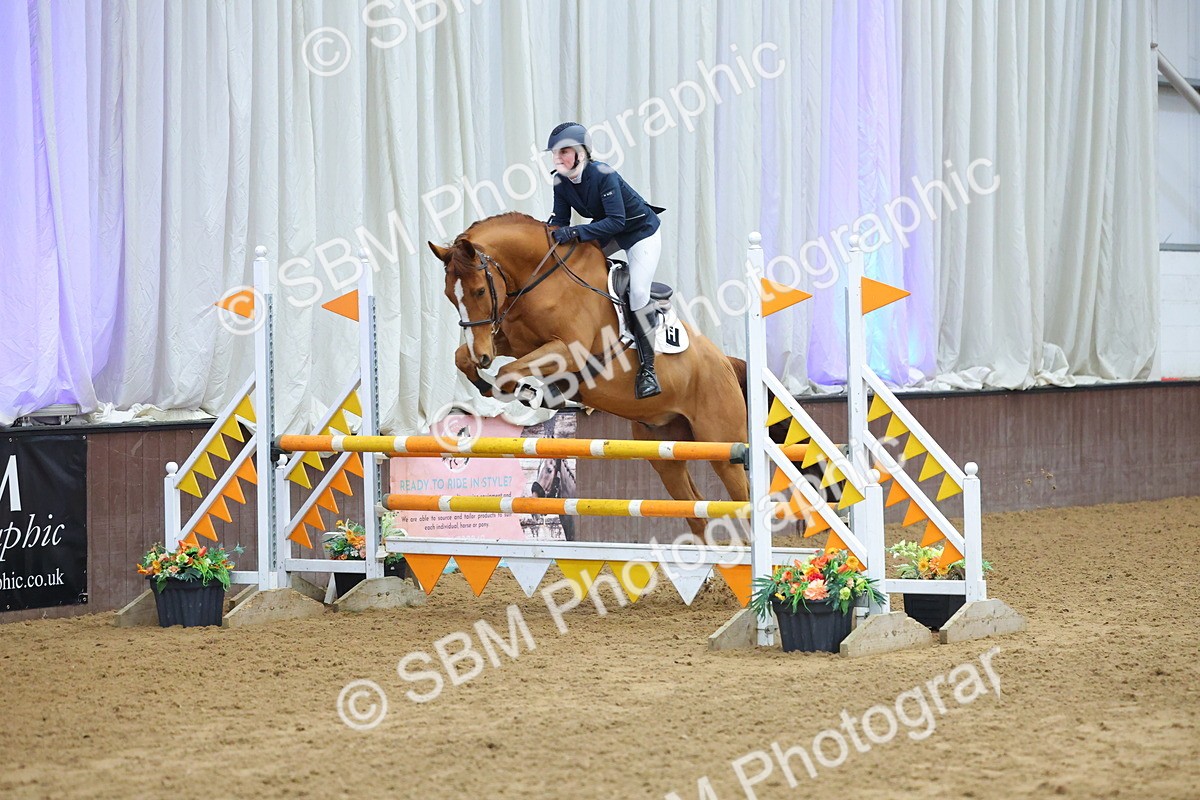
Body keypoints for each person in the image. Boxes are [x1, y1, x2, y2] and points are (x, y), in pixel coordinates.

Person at [545, 122, 664, 400]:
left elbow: (617, 221)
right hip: (605, 229)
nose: (558, 158)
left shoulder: (603, 174)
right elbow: (560, 221)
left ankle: (648, 370)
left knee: (637, 292)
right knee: (567, 272)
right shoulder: (560, 181)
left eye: (564, 152)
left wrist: (574, 232)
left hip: (639, 232)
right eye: (554, 153)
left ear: (581, 153)